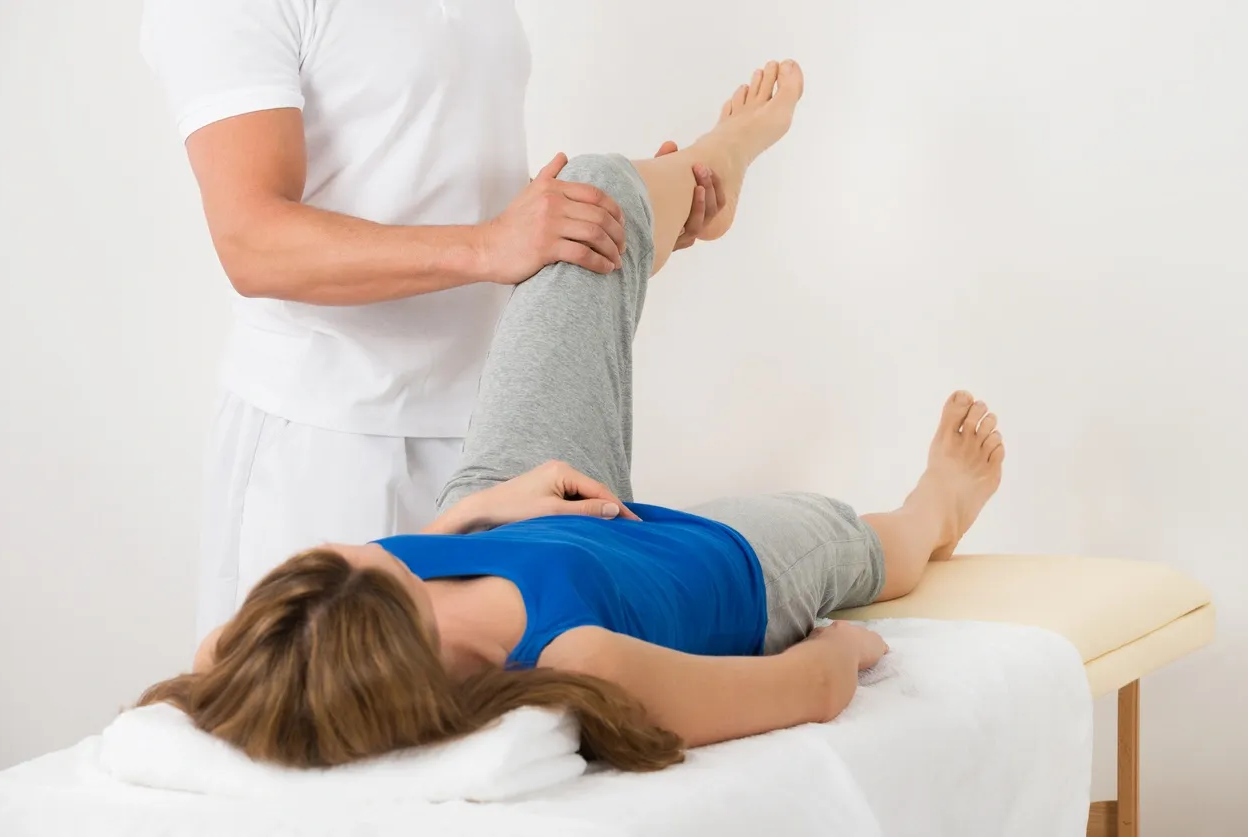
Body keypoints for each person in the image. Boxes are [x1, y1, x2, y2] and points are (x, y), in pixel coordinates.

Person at [139, 62, 1006, 772]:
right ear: (413, 645)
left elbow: (223, 652)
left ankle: (712, 166)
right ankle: (939, 507)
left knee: (584, 203)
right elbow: (813, 685)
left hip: (515, 498)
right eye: (386, 565)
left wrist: (483, 512)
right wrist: (843, 653)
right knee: (852, 539)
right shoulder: (579, 660)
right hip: (707, 565)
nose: (375, 549)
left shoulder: (334, 624)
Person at [140, 0, 726, 643]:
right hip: (331, 445)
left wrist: (600, 227)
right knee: (314, 728)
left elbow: (447, 186)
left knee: (511, 715)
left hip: (493, 434)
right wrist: (488, 244)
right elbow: (252, 241)